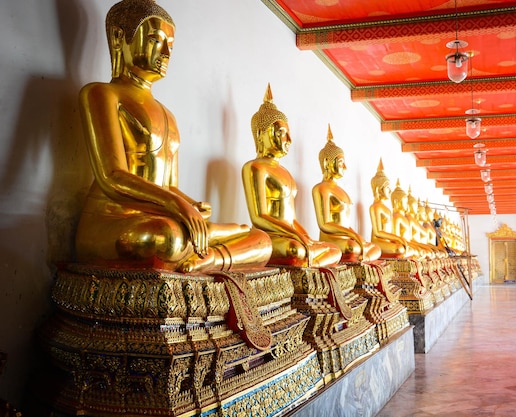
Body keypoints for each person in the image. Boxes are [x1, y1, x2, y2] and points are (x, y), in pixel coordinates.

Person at [75, 0, 272, 273]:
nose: (166, 52)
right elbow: (111, 176)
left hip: (163, 215)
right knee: (169, 237)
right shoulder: (102, 94)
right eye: (156, 39)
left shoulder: (168, 114)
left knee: (257, 238)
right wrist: (177, 204)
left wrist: (190, 204)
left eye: (171, 44)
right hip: (115, 220)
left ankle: (212, 259)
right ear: (120, 37)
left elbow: (168, 185)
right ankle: (204, 253)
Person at [242, 85, 342, 268]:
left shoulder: (286, 172)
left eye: (288, 133)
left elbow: (292, 218)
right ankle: (308, 261)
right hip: (271, 237)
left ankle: (308, 262)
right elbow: (259, 217)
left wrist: (306, 237)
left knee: (335, 250)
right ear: (260, 134)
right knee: (296, 250)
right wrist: (297, 236)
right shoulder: (255, 167)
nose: (288, 139)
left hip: (292, 234)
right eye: (281, 133)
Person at [312, 125, 381, 263]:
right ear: (327, 162)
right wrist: (351, 234)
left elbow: (344, 223)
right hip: (333, 239)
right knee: (353, 248)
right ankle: (362, 260)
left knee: (375, 249)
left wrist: (354, 235)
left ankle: (363, 261)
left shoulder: (342, 191)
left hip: (347, 238)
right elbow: (325, 224)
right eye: (341, 162)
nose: (345, 167)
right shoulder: (321, 188)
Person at [369, 160, 416, 259]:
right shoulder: (375, 207)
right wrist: (397, 238)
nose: (390, 190)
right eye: (387, 187)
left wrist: (397, 239)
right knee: (400, 249)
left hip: (388, 242)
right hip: (378, 242)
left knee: (409, 249)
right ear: (379, 189)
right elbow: (378, 232)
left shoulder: (387, 209)